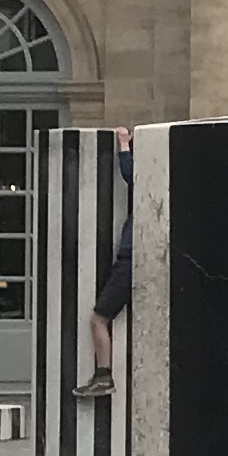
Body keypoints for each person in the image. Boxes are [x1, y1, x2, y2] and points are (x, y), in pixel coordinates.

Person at [87, 126, 134, 383]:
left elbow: (130, 173)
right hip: (140, 258)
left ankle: (103, 375)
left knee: (98, 319)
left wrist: (123, 145)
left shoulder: (148, 181)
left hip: (129, 261)